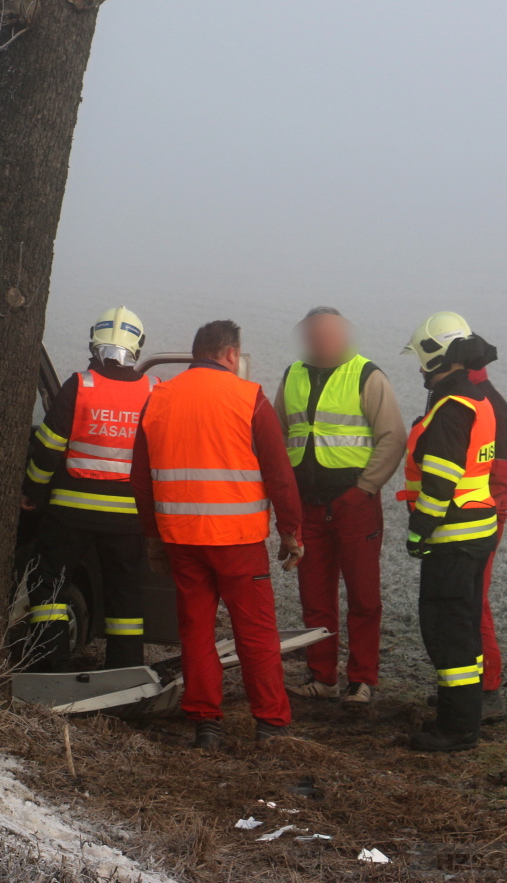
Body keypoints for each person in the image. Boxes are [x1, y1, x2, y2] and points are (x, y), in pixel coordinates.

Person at [130, 320, 304, 751]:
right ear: (230, 354)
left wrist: (154, 538)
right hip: (238, 542)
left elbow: (140, 479)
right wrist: (291, 531)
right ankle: (271, 725)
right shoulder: (249, 398)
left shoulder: (159, 398)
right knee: (256, 633)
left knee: (196, 632)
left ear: (196, 353)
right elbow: (280, 475)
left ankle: (206, 724)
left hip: (182, 540)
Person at [274, 307, 406, 708]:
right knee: (314, 596)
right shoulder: (293, 375)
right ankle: (322, 678)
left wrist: (364, 489)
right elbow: (277, 436)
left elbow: (393, 437)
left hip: (355, 506)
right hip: (308, 508)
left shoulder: (368, 375)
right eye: (315, 336)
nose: (322, 342)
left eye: (329, 335)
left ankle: (362, 680)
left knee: (364, 598)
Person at [22, 307, 157, 670]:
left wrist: (32, 492)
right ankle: (125, 672)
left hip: (70, 514)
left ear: (94, 344)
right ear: (138, 347)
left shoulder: (80, 385)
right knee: (125, 597)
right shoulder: (152, 391)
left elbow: (48, 448)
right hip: (128, 520)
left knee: (49, 584)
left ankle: (48, 664)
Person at [397, 311, 501, 752]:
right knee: (462, 628)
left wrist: (419, 530)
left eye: (422, 360)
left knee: (446, 629)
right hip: (476, 530)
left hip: (453, 537)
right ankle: (463, 716)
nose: (420, 370)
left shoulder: (451, 407)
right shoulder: (476, 399)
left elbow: (439, 481)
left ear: (438, 357)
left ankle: (456, 730)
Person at [466, 339, 507, 722]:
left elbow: (497, 480)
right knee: (466, 602)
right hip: (478, 517)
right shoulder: (484, 398)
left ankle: (488, 691)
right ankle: (470, 690)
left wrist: (486, 523)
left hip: (479, 521)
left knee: (473, 602)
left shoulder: (483, 405)